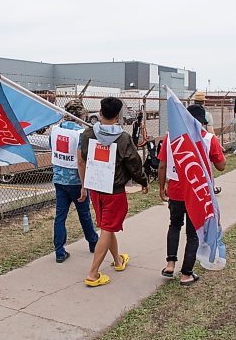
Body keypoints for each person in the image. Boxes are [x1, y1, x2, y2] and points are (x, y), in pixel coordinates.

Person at [78, 97, 149, 287]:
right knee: (108, 229)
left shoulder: (87, 135)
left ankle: (118, 260)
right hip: (114, 191)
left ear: (100, 113)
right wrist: (143, 181)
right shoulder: (123, 138)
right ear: (118, 115)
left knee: (107, 228)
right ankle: (93, 274)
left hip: (96, 189)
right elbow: (134, 163)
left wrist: (84, 184)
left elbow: (83, 158)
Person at [158, 104, 226, 286]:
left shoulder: (171, 137)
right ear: (202, 122)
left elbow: (163, 165)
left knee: (174, 225)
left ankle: (170, 264)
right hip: (198, 194)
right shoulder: (208, 139)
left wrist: (161, 186)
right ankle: (186, 273)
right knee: (193, 232)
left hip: (176, 191)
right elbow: (221, 165)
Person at [51, 100, 98, 263]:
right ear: (80, 115)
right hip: (76, 181)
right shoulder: (81, 133)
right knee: (84, 214)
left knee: (60, 216)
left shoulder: (55, 130)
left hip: (58, 178)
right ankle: (93, 242)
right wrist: (85, 185)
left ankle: (59, 251)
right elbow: (81, 161)